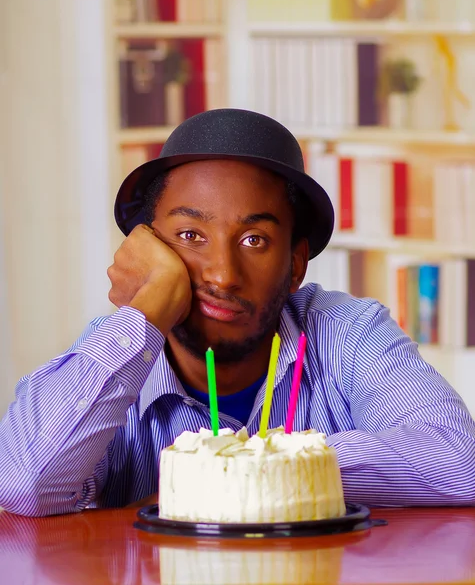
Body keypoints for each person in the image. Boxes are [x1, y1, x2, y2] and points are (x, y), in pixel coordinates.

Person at [1, 109, 474, 517]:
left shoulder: (347, 331)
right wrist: (145, 312)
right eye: (190, 236)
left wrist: (232, 466)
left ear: (294, 265)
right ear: (147, 250)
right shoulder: (114, 358)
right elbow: (22, 482)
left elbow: (460, 459)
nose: (224, 275)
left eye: (255, 240)